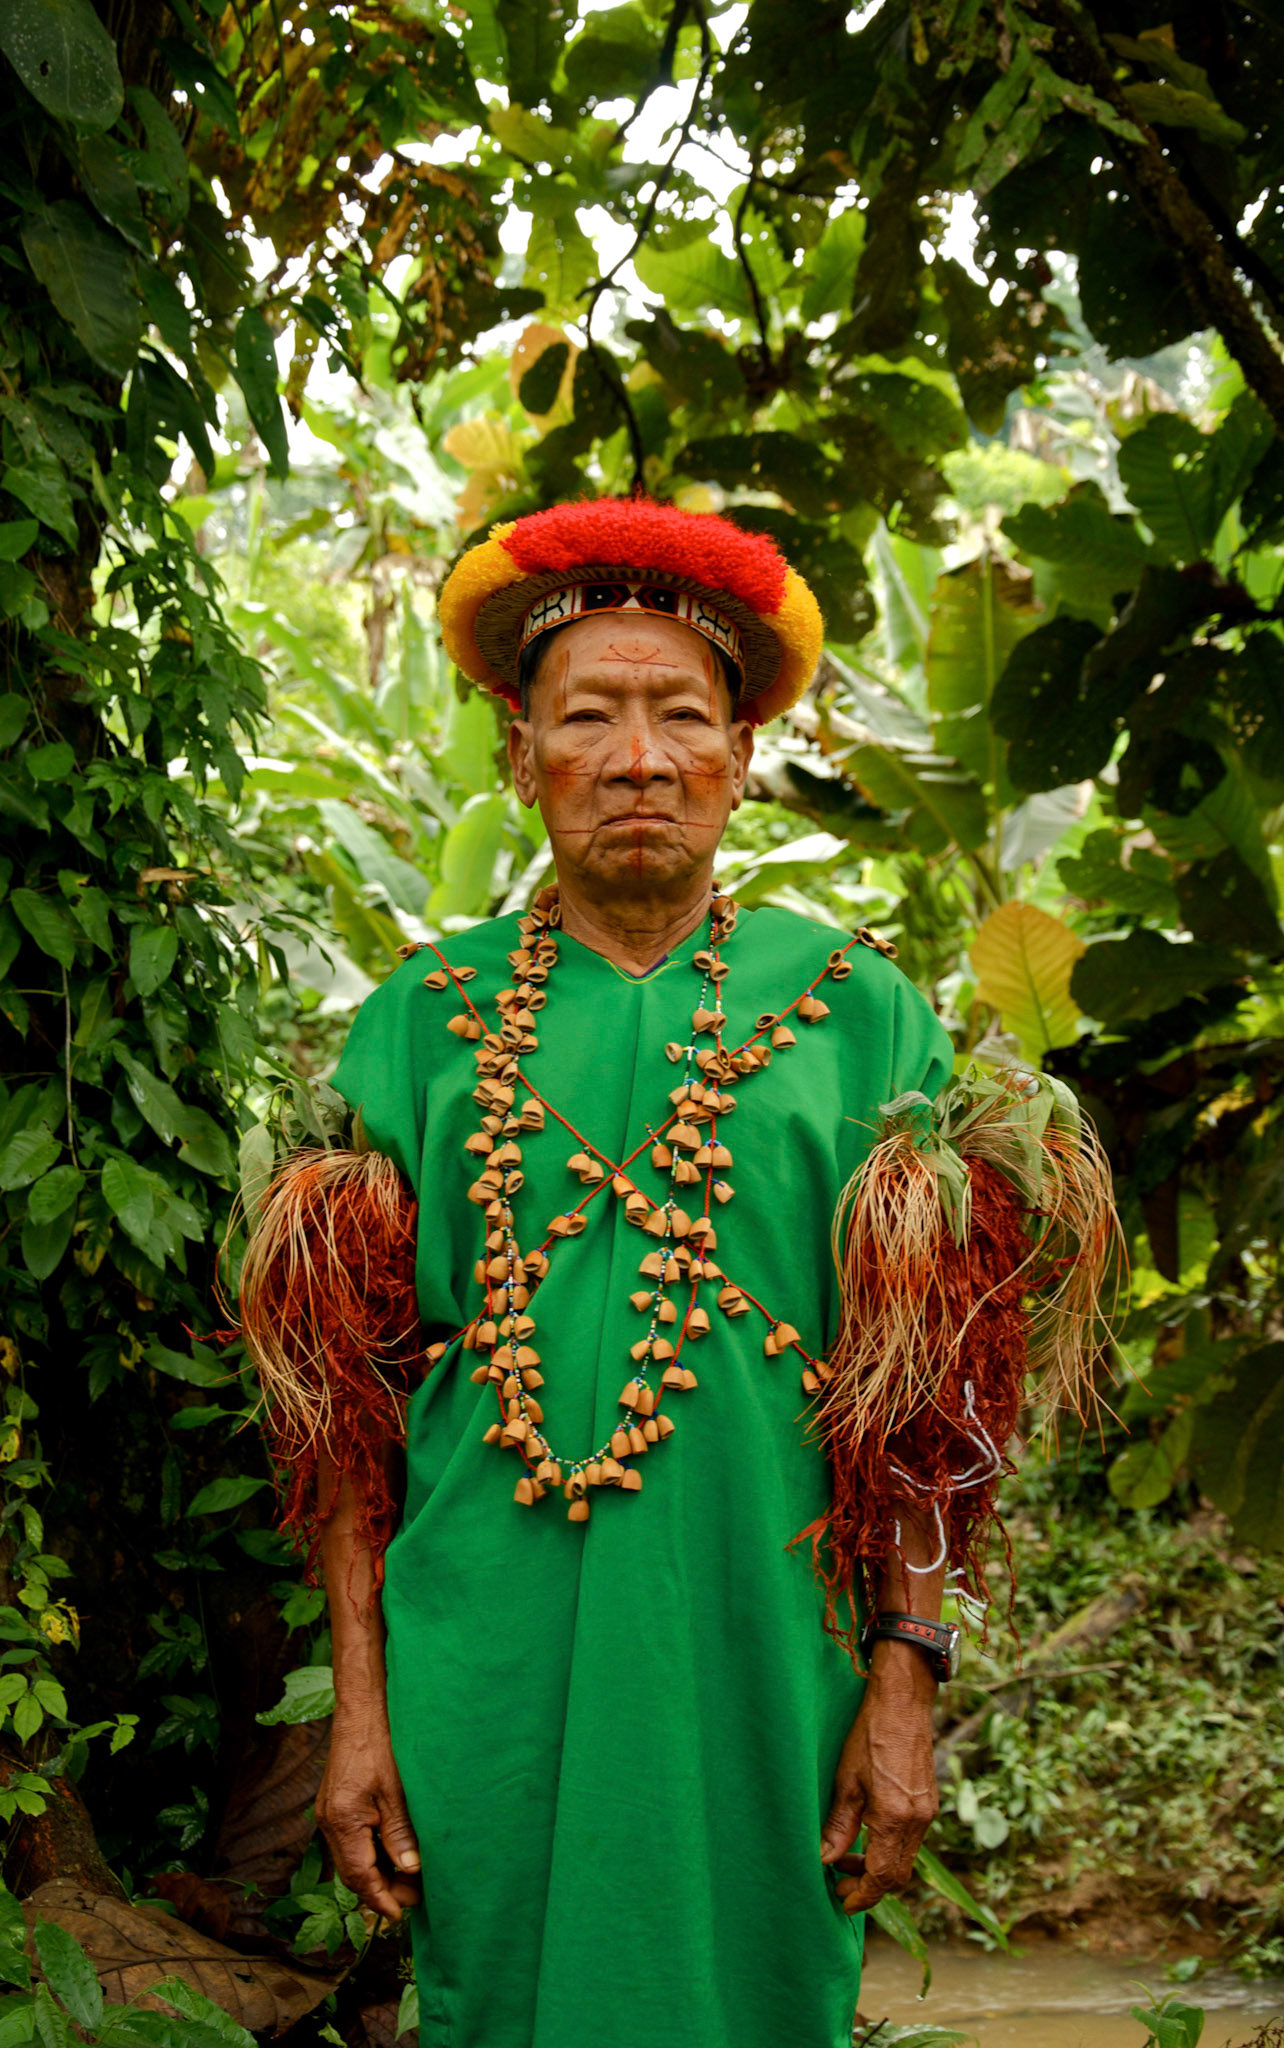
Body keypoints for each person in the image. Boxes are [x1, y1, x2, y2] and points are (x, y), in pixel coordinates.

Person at [239, 498, 1116, 2048]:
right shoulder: (416, 1024)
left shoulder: (862, 1015)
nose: (637, 758)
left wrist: (906, 1684)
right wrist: (359, 1709)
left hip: (771, 1654)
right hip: (481, 1661)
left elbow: (925, 1418)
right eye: (589, 715)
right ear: (525, 756)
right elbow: (348, 1424)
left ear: (739, 755)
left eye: (680, 718)